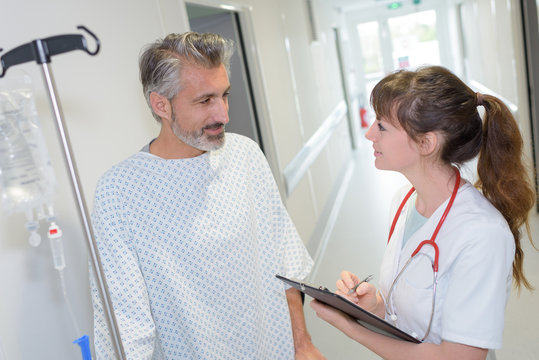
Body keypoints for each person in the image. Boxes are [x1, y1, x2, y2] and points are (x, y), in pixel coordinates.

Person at [90, 32, 325, 359]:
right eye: (204, 100)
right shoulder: (120, 191)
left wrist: (303, 345)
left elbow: (285, 261)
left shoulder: (245, 155)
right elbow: (125, 319)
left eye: (224, 95)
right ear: (161, 105)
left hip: (276, 349)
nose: (223, 115)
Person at [310, 65, 536, 359]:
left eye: (381, 125)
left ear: (426, 143)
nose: (369, 134)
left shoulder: (482, 234)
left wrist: (352, 328)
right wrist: (374, 307)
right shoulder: (404, 201)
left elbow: (459, 357)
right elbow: (411, 318)